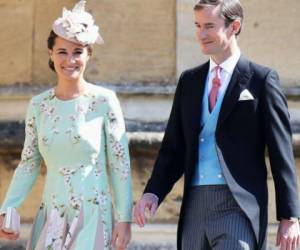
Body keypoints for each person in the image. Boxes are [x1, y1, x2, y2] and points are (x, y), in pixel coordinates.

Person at [134, 0, 300, 249]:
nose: (201, 34)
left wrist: (290, 216)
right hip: (194, 207)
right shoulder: (189, 81)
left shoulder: (262, 80)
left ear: (234, 26)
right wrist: (153, 192)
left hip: (238, 205)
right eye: (198, 25)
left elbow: (281, 152)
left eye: (209, 26)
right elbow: (173, 147)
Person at [0, 1, 132, 249]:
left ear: (88, 54)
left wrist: (124, 219)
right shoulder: (38, 105)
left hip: (94, 215)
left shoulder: (104, 101)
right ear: (51, 53)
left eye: (78, 52)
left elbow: (120, 164)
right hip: (52, 216)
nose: (70, 60)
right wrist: (7, 207)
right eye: (62, 52)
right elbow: (29, 162)